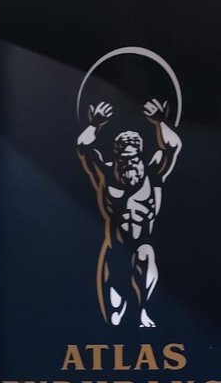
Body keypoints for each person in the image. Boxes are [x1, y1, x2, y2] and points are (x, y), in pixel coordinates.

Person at [78, 98, 182, 328]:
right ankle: (120, 317)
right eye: (123, 159)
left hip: (143, 242)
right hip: (117, 243)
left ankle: (144, 310)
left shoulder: (153, 173)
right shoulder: (106, 174)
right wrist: (95, 124)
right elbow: (83, 146)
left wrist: (160, 122)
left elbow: (173, 147)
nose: (129, 163)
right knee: (114, 315)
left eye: (133, 158)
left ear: (140, 155)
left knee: (145, 255)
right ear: (116, 157)